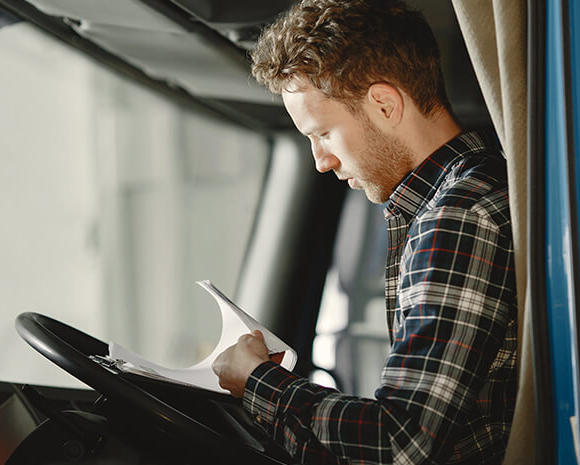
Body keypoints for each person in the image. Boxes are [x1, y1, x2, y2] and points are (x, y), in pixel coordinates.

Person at [211, 1, 518, 464]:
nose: (320, 161)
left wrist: (258, 382)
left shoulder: (458, 215)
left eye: (324, 134)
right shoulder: (458, 196)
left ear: (384, 103)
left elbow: (401, 441)